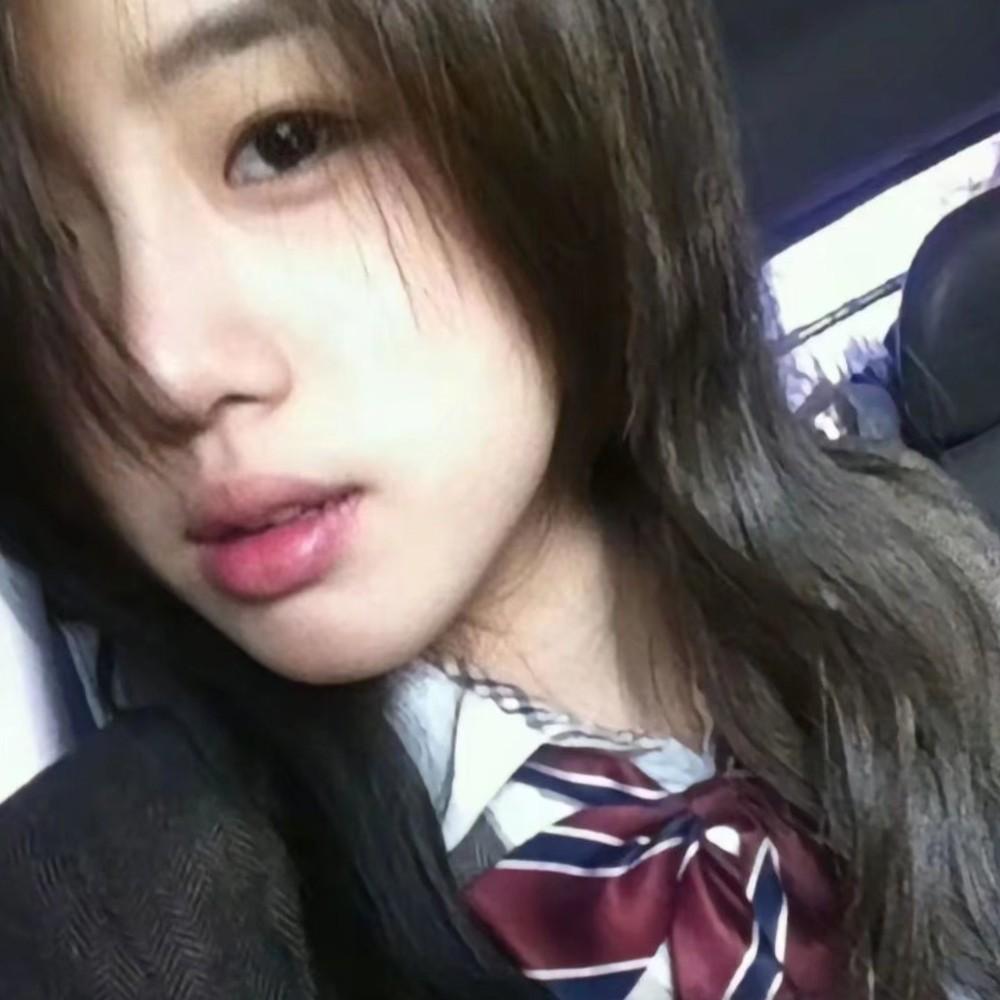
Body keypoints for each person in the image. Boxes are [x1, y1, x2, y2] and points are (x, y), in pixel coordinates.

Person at [0, 1, 998, 998]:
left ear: (576, 91)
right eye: (45, 255)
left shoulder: (930, 586)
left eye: (283, 142)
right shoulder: (103, 910)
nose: (159, 370)